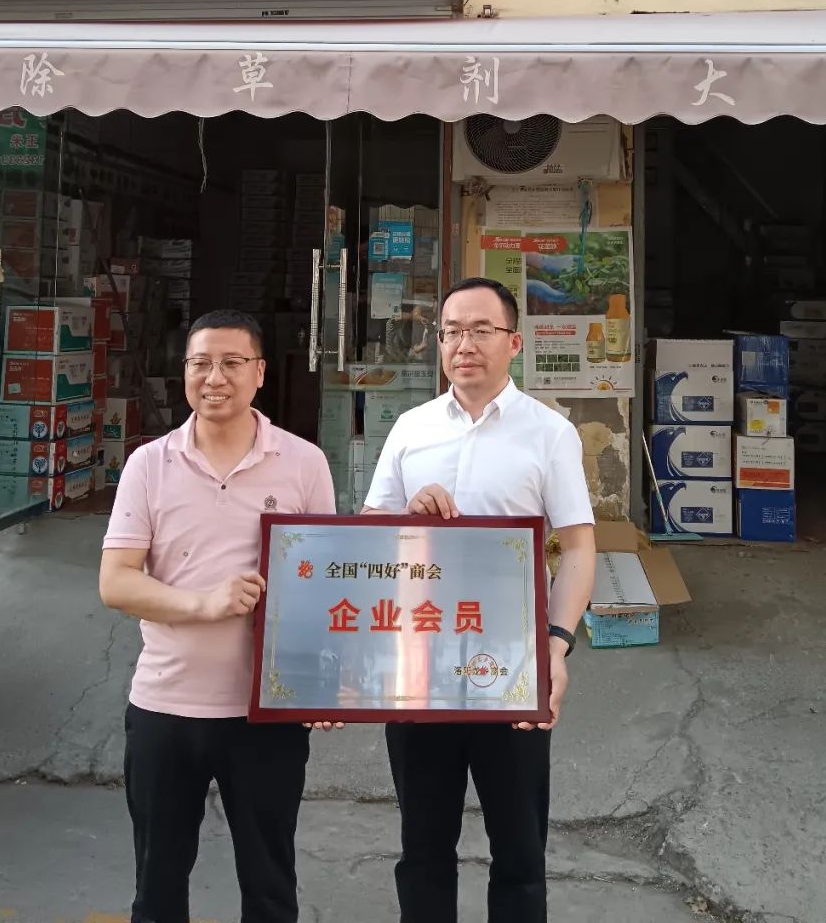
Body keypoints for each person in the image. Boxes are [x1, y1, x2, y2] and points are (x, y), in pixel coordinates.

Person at [363, 277, 598, 923]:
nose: (464, 344)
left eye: (480, 330)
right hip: (419, 668)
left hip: (510, 668)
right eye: (451, 331)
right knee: (422, 849)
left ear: (513, 343)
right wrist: (407, 516)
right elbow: (370, 537)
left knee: (519, 853)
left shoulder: (549, 433)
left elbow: (578, 548)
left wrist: (557, 646)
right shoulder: (410, 429)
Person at [100, 308, 336, 923]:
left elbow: (323, 582)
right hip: (165, 706)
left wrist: (324, 682)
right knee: (157, 887)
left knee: (269, 886)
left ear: (260, 373)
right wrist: (203, 604)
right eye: (201, 363)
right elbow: (116, 581)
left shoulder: (304, 463)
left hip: (267, 713)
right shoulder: (149, 464)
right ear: (184, 373)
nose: (215, 378)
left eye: (232, 363)